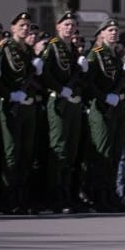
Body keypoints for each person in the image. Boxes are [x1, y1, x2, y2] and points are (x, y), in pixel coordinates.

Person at [0, 12, 40, 215]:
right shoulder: (4, 48)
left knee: (26, 153)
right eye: (21, 25)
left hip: (27, 106)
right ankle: (8, 198)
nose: (25, 28)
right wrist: (9, 94)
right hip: (10, 105)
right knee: (11, 153)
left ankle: (22, 197)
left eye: (28, 25)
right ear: (12, 28)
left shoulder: (27, 50)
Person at [39, 11, 85, 214]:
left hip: (72, 103)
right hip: (58, 101)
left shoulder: (72, 48)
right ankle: (55, 196)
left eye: (72, 24)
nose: (69, 27)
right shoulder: (52, 46)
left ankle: (67, 193)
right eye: (66, 24)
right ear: (58, 26)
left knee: (71, 149)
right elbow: (45, 74)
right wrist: (59, 89)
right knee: (59, 148)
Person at [82, 18, 125, 212]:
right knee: (102, 153)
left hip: (116, 108)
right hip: (101, 109)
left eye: (116, 30)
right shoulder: (96, 54)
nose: (114, 33)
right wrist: (103, 98)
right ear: (101, 34)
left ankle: (110, 193)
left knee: (115, 153)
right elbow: (89, 83)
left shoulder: (115, 55)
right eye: (110, 30)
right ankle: (97, 195)